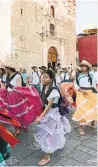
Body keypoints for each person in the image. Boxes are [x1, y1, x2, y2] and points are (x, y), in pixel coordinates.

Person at [34, 70, 71, 166]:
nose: (43, 79)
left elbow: (49, 106)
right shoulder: (44, 87)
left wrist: (40, 116)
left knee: (47, 133)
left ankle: (47, 157)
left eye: (46, 77)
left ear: (51, 79)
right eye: (42, 77)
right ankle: (57, 142)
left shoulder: (54, 90)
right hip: (46, 113)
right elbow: (43, 102)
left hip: (52, 114)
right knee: (49, 131)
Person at [0, 62, 42, 136]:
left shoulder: (17, 76)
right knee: (11, 113)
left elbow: (19, 87)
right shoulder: (7, 76)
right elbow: (5, 86)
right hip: (9, 96)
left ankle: (22, 125)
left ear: (9, 69)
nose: (4, 70)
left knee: (18, 113)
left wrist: (13, 88)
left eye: (5, 68)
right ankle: (17, 128)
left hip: (16, 97)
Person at [72, 60, 97, 136]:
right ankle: (81, 128)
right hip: (81, 93)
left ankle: (92, 119)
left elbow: (93, 85)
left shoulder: (92, 75)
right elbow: (75, 85)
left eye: (84, 66)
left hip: (90, 93)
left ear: (87, 67)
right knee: (81, 109)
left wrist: (96, 92)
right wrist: (81, 90)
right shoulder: (78, 75)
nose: (82, 67)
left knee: (93, 107)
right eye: (81, 66)